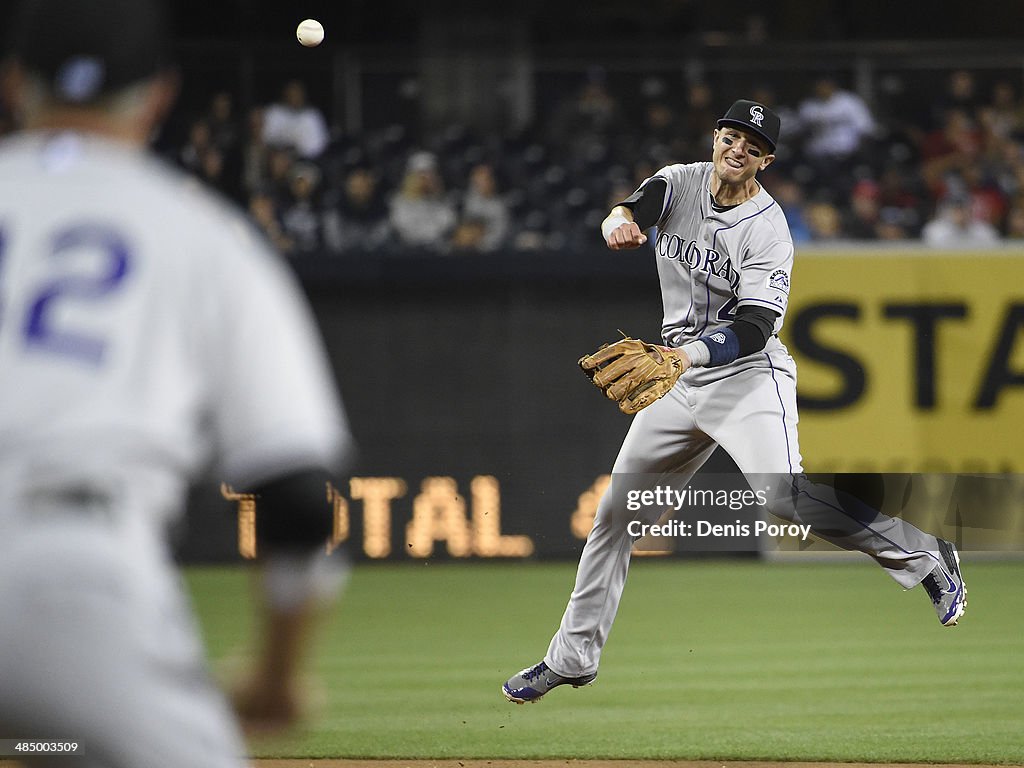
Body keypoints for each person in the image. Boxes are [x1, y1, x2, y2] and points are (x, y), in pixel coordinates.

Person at [502, 99, 967, 704]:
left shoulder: (770, 228)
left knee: (784, 496)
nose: (736, 148)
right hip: (676, 380)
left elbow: (753, 326)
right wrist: (614, 219)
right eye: (729, 135)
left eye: (751, 143)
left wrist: (685, 357)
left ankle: (926, 555)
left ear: (765, 160)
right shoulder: (679, 181)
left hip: (747, 376)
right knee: (615, 515)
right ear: (715, 138)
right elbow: (636, 205)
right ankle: (571, 658)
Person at [0, 0, 352, 763]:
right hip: (71, 581)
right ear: (160, 94)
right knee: (68, 730)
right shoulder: (200, 236)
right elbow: (295, 494)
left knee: (47, 746)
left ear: (14, 83)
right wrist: (276, 676)